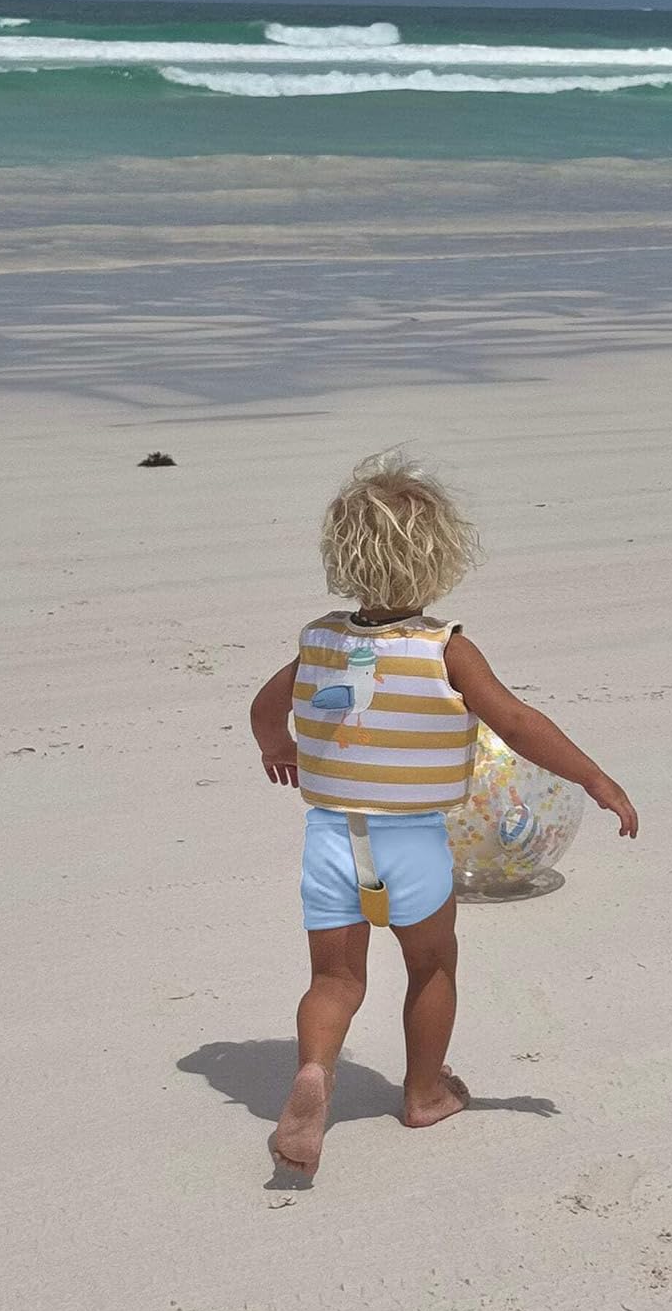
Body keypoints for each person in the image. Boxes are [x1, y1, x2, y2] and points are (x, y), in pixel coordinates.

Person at [249, 450, 638, 1176]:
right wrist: (595, 779)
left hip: (334, 835)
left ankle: (313, 1073)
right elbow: (518, 724)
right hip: (411, 841)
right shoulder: (445, 650)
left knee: (335, 980)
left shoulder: (320, 640)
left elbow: (267, 708)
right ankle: (424, 1094)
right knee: (430, 964)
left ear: (343, 557)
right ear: (441, 560)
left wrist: (280, 745)